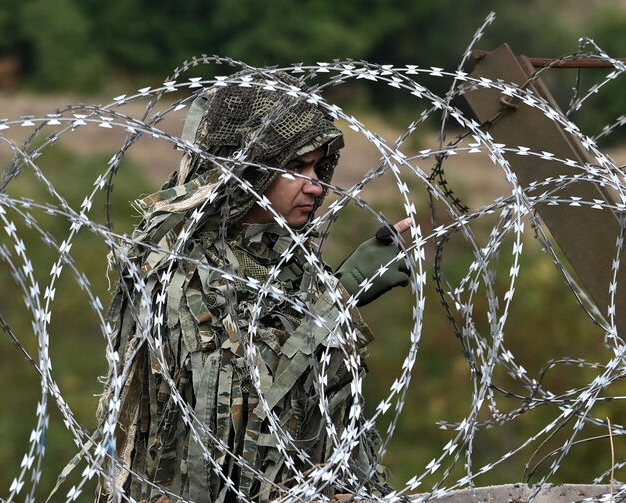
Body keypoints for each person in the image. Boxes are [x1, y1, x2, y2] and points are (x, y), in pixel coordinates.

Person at [95, 71, 412, 503]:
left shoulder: (290, 261)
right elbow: (245, 388)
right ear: (246, 171)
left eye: (319, 167)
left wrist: (339, 288)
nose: (315, 184)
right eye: (296, 168)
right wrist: (345, 289)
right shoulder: (181, 269)